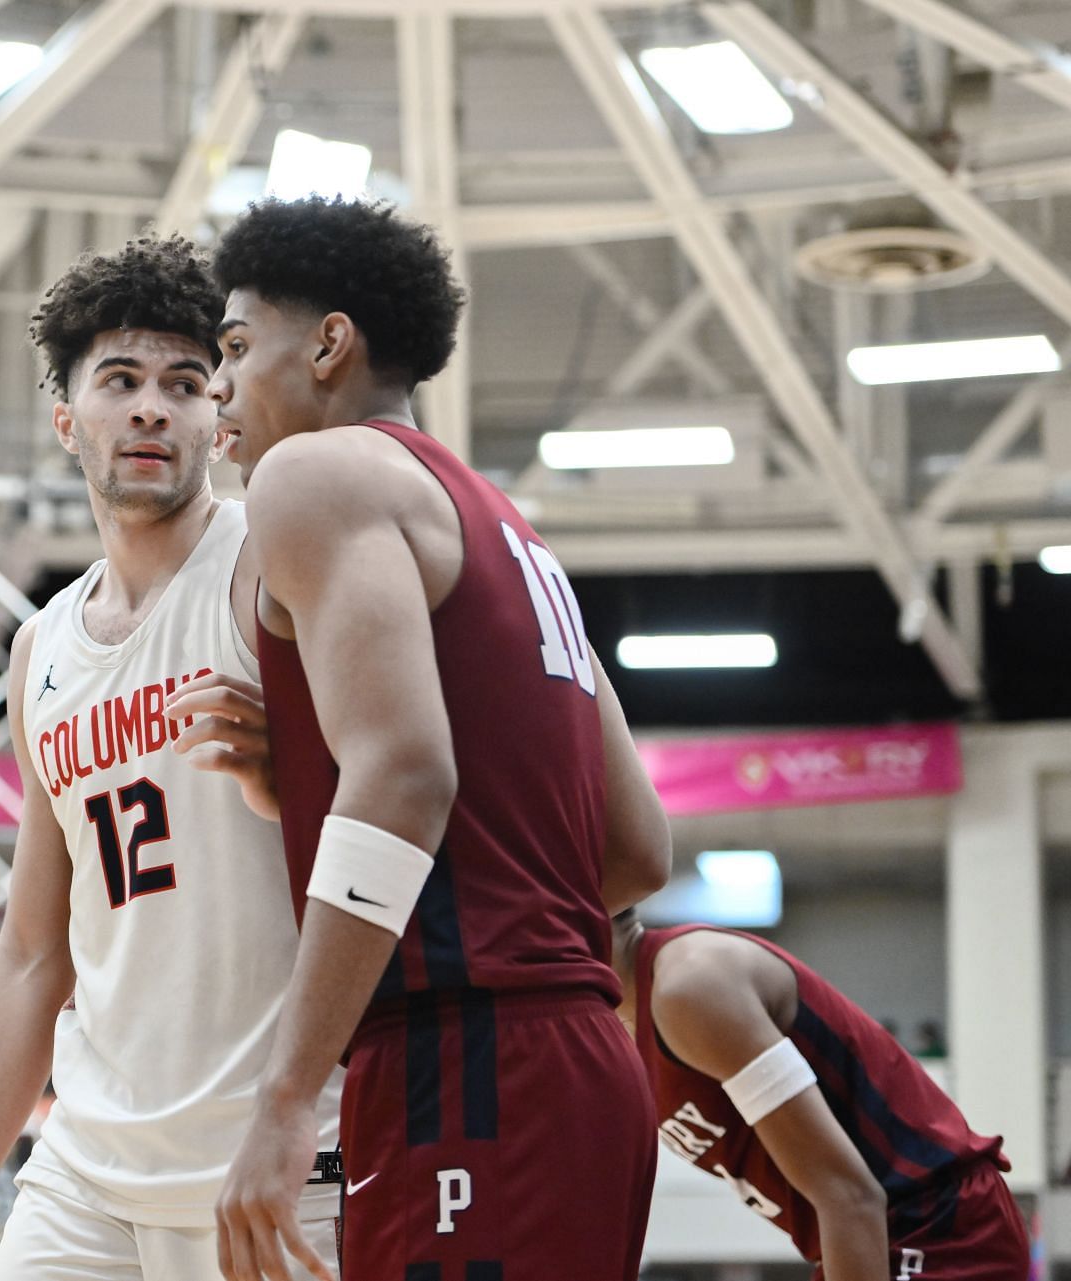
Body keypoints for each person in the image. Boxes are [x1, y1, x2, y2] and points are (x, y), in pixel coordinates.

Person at [206, 196, 671, 1281]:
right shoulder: (506, 527)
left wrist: (284, 1098)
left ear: (329, 344)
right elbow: (637, 851)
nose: (218, 384)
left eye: (234, 347)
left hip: (466, 1058)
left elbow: (407, 774)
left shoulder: (314, 475)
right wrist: (309, 783)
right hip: (581, 1062)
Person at [0, 236, 343, 1281]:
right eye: (122, 381)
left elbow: (407, 804)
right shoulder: (40, 649)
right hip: (86, 1173)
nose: (153, 408)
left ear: (219, 412)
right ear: (68, 420)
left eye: (186, 384)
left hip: (274, 1164)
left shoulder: (269, 566)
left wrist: (307, 778)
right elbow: (28, 954)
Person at [613, 910, 1028, 1280]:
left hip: (934, 1224)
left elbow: (851, 1196)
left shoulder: (691, 983)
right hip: (865, 1237)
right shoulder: (613, 1035)